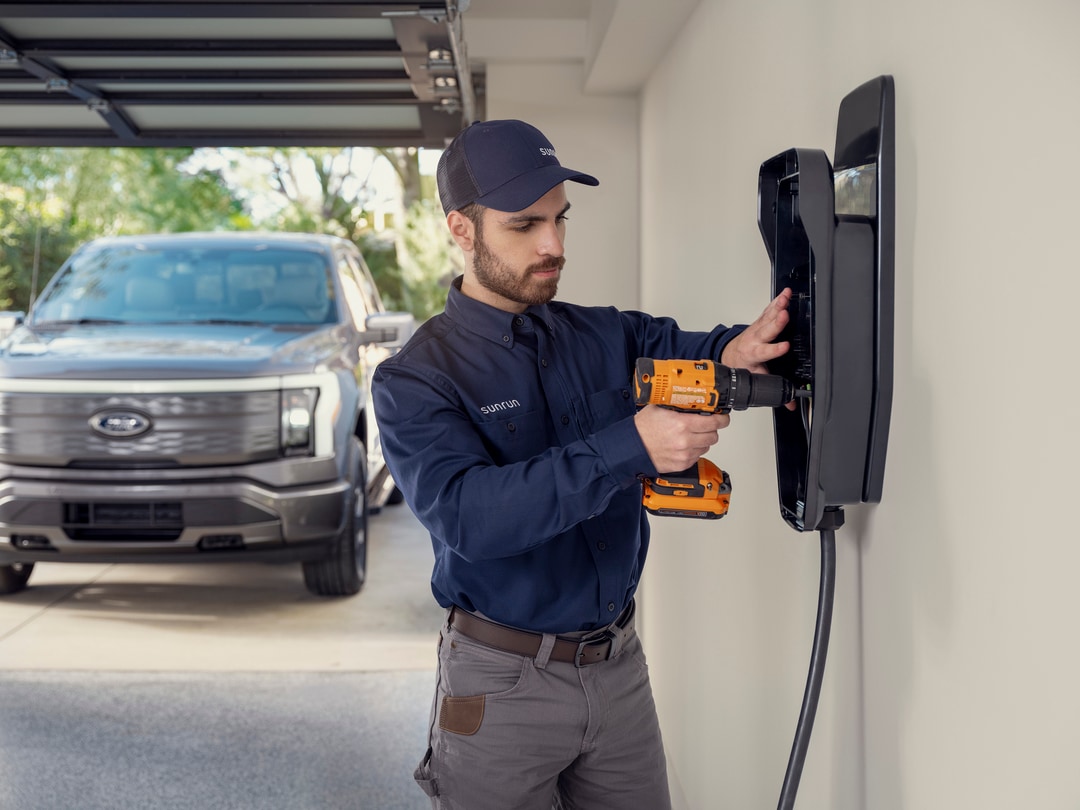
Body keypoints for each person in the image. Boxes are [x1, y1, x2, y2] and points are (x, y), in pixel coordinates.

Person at [371, 119, 792, 810]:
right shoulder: (414, 379)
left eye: (561, 219)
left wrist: (738, 349)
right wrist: (634, 445)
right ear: (462, 228)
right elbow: (470, 517)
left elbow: (701, 352)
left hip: (618, 668)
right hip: (500, 683)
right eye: (525, 224)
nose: (554, 245)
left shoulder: (604, 334)